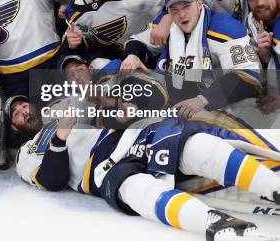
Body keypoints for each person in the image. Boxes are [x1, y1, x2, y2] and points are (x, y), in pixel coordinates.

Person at [16, 95, 280, 240]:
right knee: (137, 189)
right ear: (14, 127)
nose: (24, 111)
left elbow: (105, 109)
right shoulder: (26, 152)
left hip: (125, 138)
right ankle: (218, 226)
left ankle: (275, 187)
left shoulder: (61, 105)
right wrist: (61, 136)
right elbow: (52, 181)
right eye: (16, 113)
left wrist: (121, 110)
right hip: (98, 169)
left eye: (24, 104)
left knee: (198, 145)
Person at [123, 0, 262, 118]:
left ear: (199, 3)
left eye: (186, 6)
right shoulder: (165, 23)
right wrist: (133, 56)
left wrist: (203, 99)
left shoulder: (226, 28)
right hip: (173, 102)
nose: (181, 14)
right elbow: (138, 40)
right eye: (174, 9)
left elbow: (248, 76)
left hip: (218, 106)